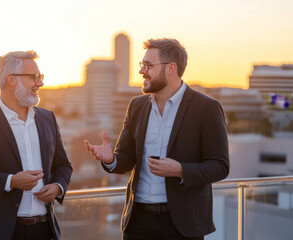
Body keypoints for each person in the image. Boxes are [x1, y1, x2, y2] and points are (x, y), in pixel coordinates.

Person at [84, 38, 229, 240]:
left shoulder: (207, 108)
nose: (142, 71)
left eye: (148, 66)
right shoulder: (137, 106)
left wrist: (180, 170)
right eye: (142, 65)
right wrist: (110, 160)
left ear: (171, 68)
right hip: (137, 223)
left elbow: (220, 166)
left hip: (183, 225)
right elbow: (125, 158)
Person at [0, 50, 72, 240]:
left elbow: (63, 165)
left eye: (40, 77)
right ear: (11, 79)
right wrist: (11, 181)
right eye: (34, 77)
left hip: (44, 229)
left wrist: (58, 186)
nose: (40, 83)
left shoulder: (47, 118)